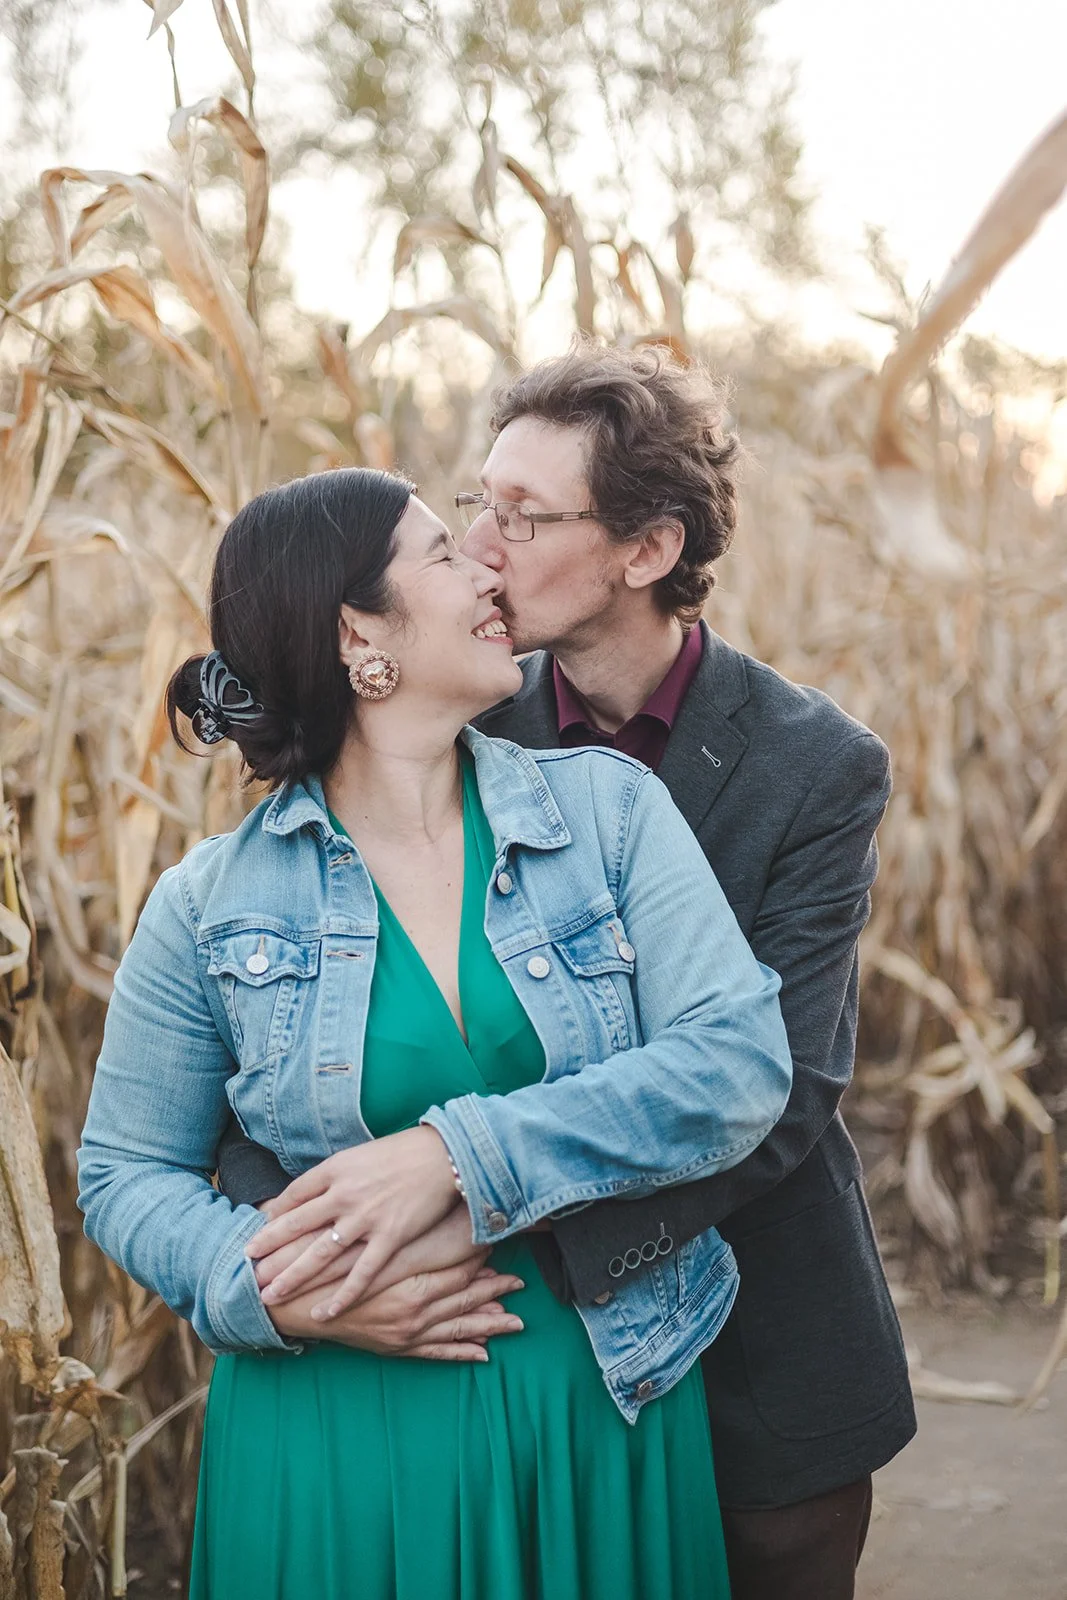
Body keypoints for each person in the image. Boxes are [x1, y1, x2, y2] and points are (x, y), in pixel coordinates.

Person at [220, 345, 917, 1600]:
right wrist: (306, 1265)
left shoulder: (814, 765)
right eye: (477, 503)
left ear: (645, 552)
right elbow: (281, 1033)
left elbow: (787, 1088)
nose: (479, 545)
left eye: (524, 517)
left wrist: (466, 1203)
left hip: (754, 1316)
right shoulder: (443, 722)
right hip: (507, 1359)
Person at [77, 466, 794, 1600]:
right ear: (363, 633)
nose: (485, 562)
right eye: (441, 553)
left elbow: (736, 1061)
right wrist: (268, 1290)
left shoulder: (605, 815)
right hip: (328, 1424)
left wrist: (456, 1157)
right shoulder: (208, 903)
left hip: (592, 1396)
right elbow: (123, 1171)